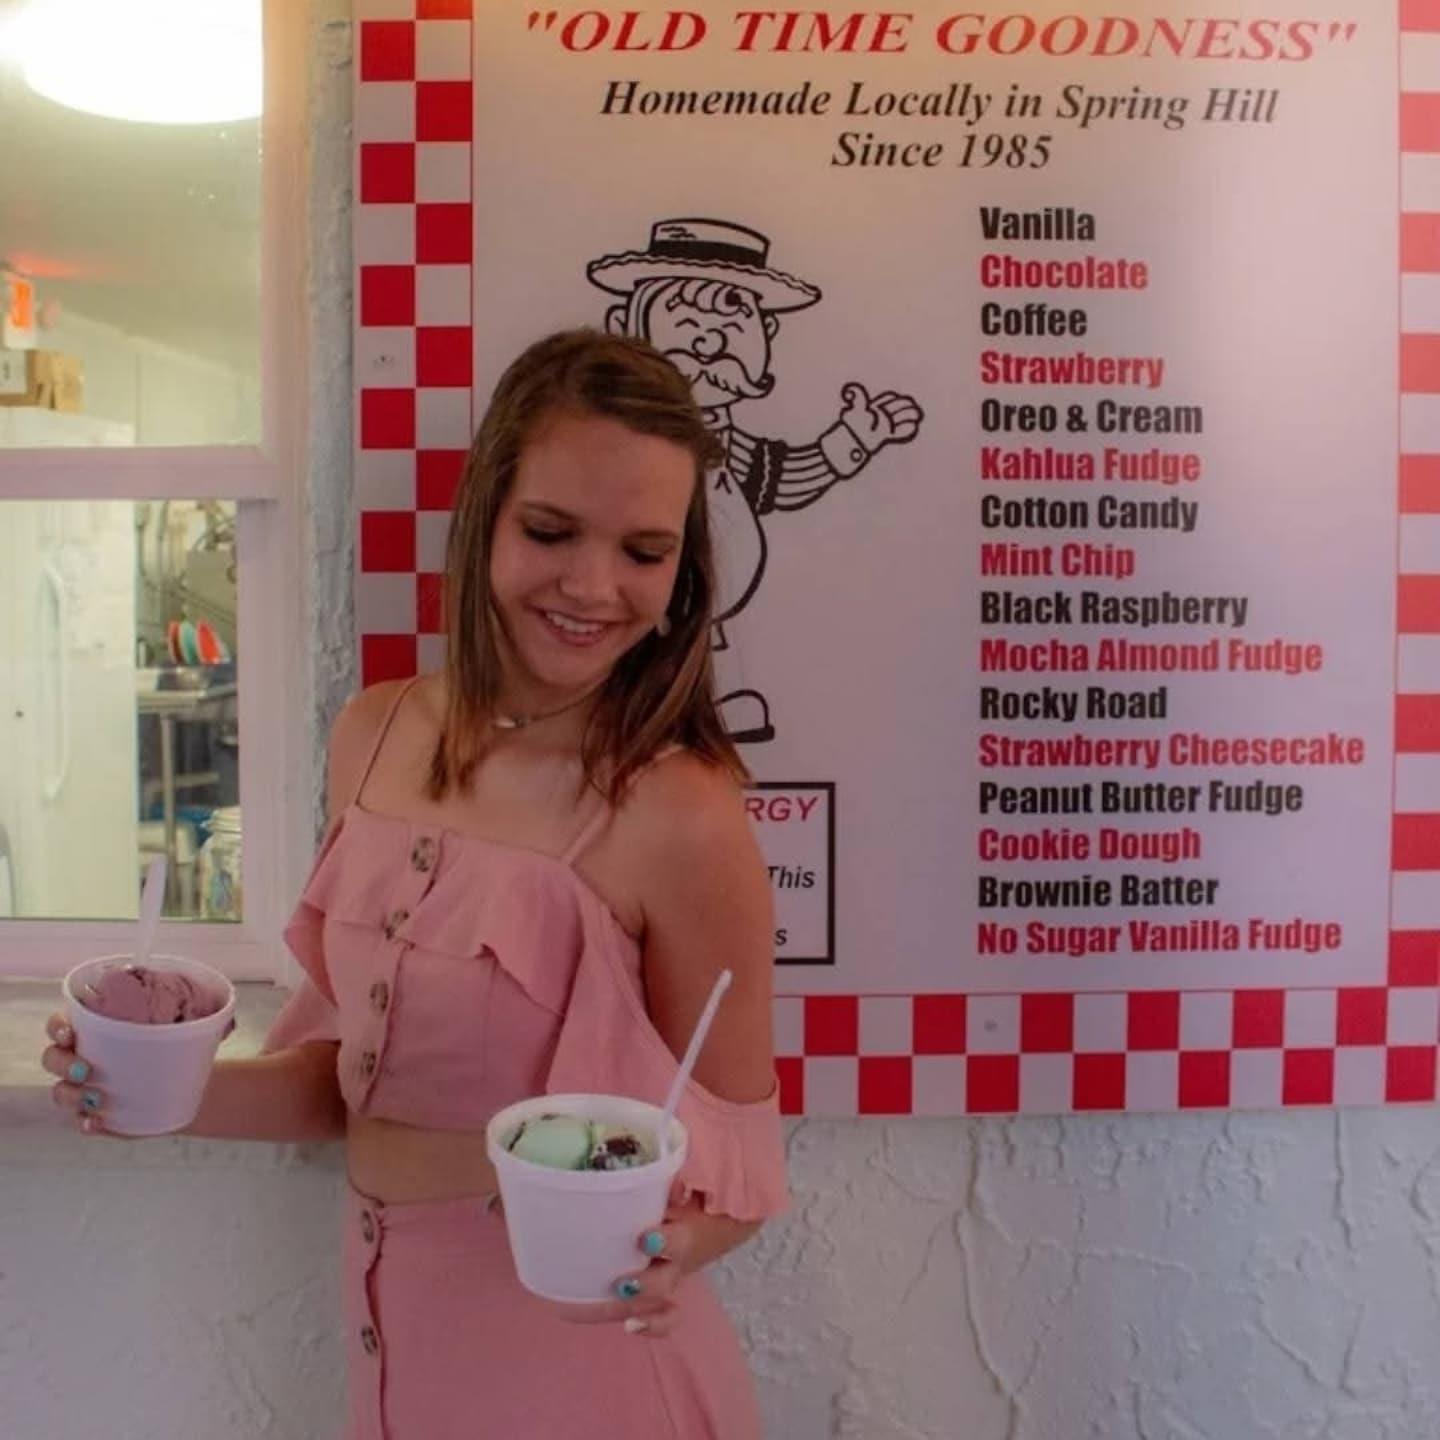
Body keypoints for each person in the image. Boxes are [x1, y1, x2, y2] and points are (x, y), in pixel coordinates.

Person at [42, 329, 787, 1440]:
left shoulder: (680, 811)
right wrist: (156, 1088)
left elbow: (746, 1166)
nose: (594, 586)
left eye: (644, 550)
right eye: (551, 530)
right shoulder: (373, 733)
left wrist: (675, 1248)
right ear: (485, 514)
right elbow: (350, 1087)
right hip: (396, 1351)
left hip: (590, 1377)